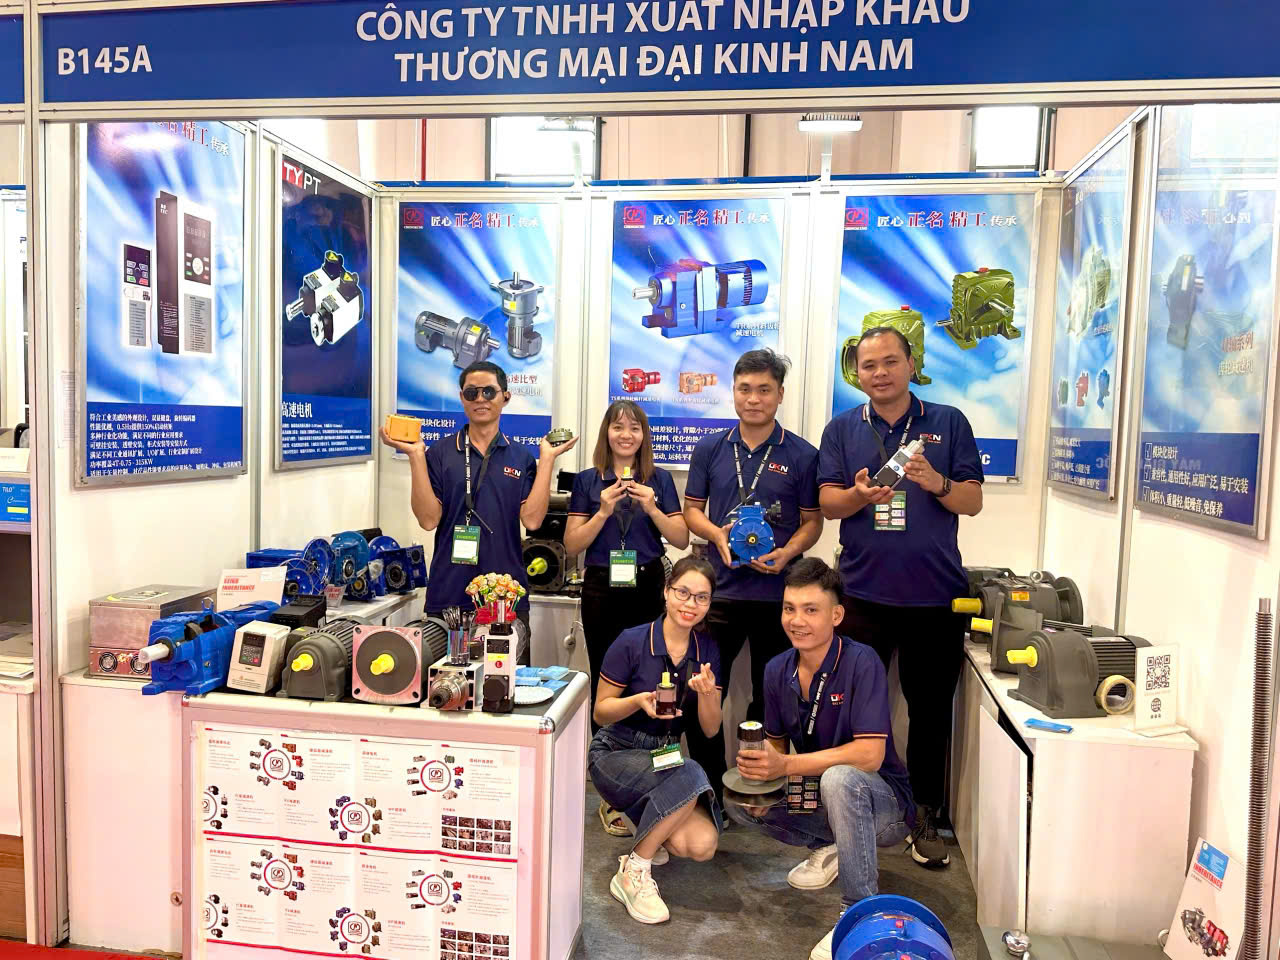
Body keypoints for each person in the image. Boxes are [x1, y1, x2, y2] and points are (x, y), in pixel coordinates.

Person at [816, 327, 984, 869]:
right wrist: (858, 495)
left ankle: (924, 816)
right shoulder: (843, 428)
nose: (880, 373)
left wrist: (936, 482)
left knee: (930, 715)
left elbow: (972, 501)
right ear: (857, 373)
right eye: (869, 365)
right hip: (861, 596)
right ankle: (847, 809)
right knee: (853, 711)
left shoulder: (949, 422)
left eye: (891, 361)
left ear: (912, 364)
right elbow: (828, 504)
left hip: (934, 597)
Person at [726, 558, 913, 960]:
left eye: (811, 610)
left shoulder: (862, 661)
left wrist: (787, 767)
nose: (797, 620)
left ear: (836, 615)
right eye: (789, 608)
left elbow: (870, 755)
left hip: (885, 806)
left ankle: (857, 915)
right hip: (823, 793)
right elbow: (777, 747)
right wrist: (763, 776)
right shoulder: (777, 669)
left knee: (840, 779)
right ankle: (836, 846)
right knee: (739, 798)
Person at [683, 349, 822, 798]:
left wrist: (788, 553)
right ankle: (706, 789)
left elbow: (813, 522)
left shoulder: (802, 454)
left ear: (780, 394)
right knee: (707, 693)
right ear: (733, 392)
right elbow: (692, 511)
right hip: (719, 595)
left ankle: (760, 787)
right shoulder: (710, 448)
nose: (754, 398)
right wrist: (716, 536)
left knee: (772, 699)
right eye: (745, 389)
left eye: (764, 389)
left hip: (779, 599)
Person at [566, 400, 690, 835]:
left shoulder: (660, 480)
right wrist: (602, 511)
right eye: (617, 427)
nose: (626, 435)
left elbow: (681, 537)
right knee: (607, 681)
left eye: (634, 428)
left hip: (647, 584)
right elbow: (572, 545)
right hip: (602, 588)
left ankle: (660, 778)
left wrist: (653, 508)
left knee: (656, 680)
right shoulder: (588, 481)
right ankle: (610, 791)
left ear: (643, 436)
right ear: (607, 433)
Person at [378, 360, 577, 625]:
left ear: (506, 397)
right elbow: (428, 520)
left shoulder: (521, 458)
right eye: (472, 393)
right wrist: (416, 456)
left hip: (506, 593)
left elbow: (532, 521)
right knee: (447, 656)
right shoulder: (440, 453)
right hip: (449, 593)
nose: (480, 399)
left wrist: (548, 460)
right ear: (462, 398)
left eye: (489, 392)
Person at [588, 556, 723, 925]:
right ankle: (633, 870)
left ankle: (644, 822)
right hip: (616, 751)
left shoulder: (707, 650)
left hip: (664, 755)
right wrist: (637, 701)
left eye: (701, 597)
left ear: (709, 603)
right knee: (691, 773)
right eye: (683, 592)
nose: (690, 604)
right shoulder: (632, 641)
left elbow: (711, 729)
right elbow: (601, 713)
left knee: (700, 845)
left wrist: (707, 694)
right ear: (666, 591)